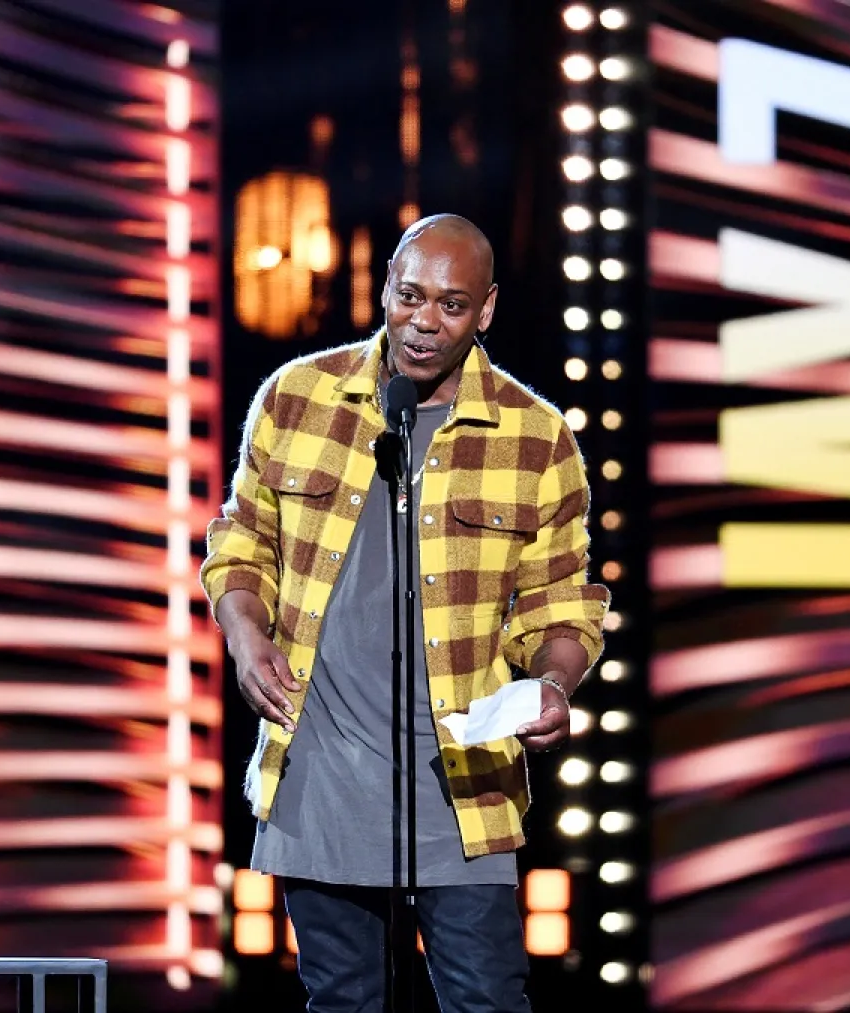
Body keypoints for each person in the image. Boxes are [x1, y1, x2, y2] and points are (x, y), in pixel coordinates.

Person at [202, 214, 608, 1012]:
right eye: (409, 295)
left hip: (463, 785)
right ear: (385, 283)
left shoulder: (537, 436)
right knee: (342, 1001)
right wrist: (248, 641)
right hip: (320, 772)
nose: (424, 321)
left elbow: (563, 603)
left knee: (487, 1000)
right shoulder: (296, 399)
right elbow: (239, 547)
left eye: (451, 305)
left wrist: (553, 683)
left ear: (485, 310)